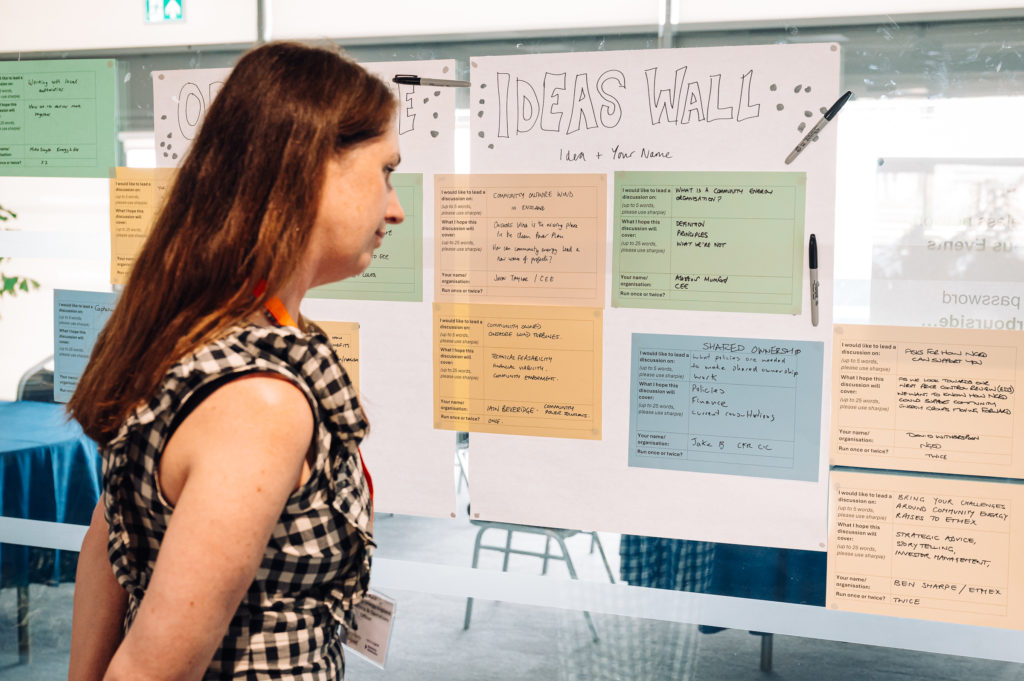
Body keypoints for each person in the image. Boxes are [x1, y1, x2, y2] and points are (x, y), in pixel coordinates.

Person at [66, 40, 404, 680]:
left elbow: (109, 544)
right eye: (386, 170)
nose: (395, 207)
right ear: (312, 167)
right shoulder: (259, 398)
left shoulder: (191, 332)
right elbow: (152, 669)